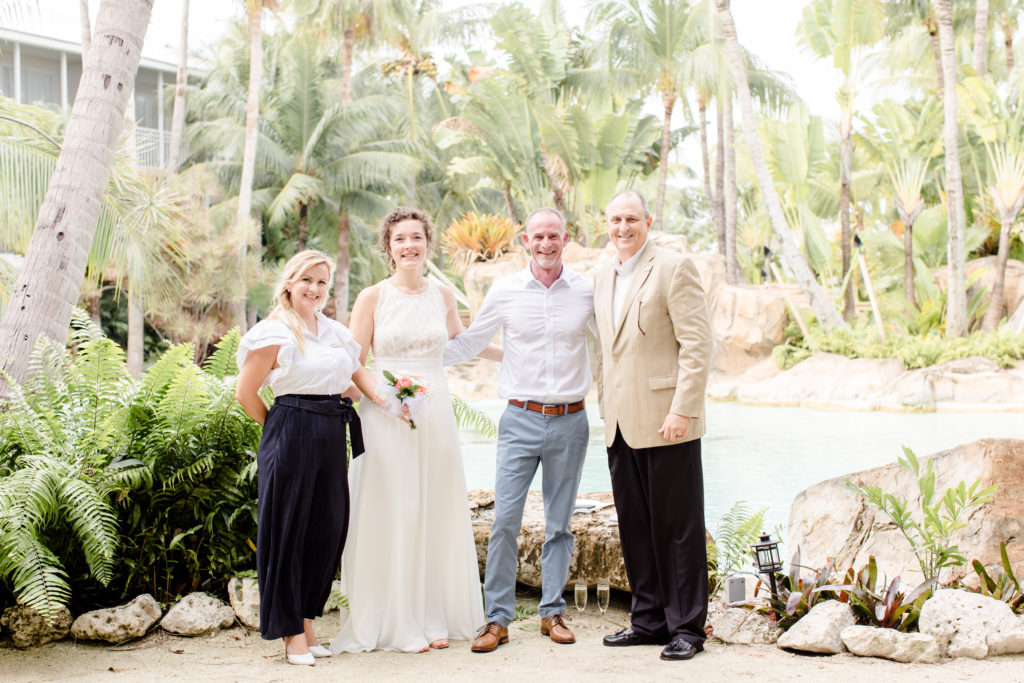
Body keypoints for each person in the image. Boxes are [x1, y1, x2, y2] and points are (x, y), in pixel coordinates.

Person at [331, 207, 496, 653]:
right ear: (388, 247)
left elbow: (460, 345)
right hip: (384, 412)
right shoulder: (371, 297)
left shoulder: (443, 295)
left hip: (436, 411)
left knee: (434, 505)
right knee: (394, 506)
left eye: (416, 238)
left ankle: (433, 612)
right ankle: (393, 618)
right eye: (400, 238)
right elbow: (353, 360)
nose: (409, 245)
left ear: (428, 243)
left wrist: (518, 352)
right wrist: (378, 401)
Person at [444, 207, 594, 653]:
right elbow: (471, 341)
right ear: (525, 241)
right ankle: (497, 620)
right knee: (505, 520)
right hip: (519, 420)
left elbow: (613, 343)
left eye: (554, 235)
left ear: (565, 239)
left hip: (572, 419)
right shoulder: (505, 290)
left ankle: (552, 613)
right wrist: (418, 360)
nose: (546, 243)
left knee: (559, 524)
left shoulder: (586, 290)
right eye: (538, 236)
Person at [235, 249, 386, 667]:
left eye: (322, 282)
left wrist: (394, 402)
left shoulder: (335, 331)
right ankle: (290, 634)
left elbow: (355, 381)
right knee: (288, 533)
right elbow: (246, 394)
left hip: (330, 431)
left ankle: (307, 622)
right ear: (289, 283)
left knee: (327, 529)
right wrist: (279, 430)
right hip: (290, 428)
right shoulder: (273, 332)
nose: (315, 289)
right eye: (307, 281)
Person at [592, 190, 713, 662]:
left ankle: (686, 628)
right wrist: (604, 407)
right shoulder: (603, 274)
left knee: (678, 527)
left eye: (631, 219)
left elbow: (698, 345)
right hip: (620, 422)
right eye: (615, 219)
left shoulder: (673, 267)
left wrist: (683, 408)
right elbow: (603, 350)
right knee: (635, 525)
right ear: (607, 224)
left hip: (669, 420)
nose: (623, 227)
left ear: (647, 220)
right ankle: (648, 621)